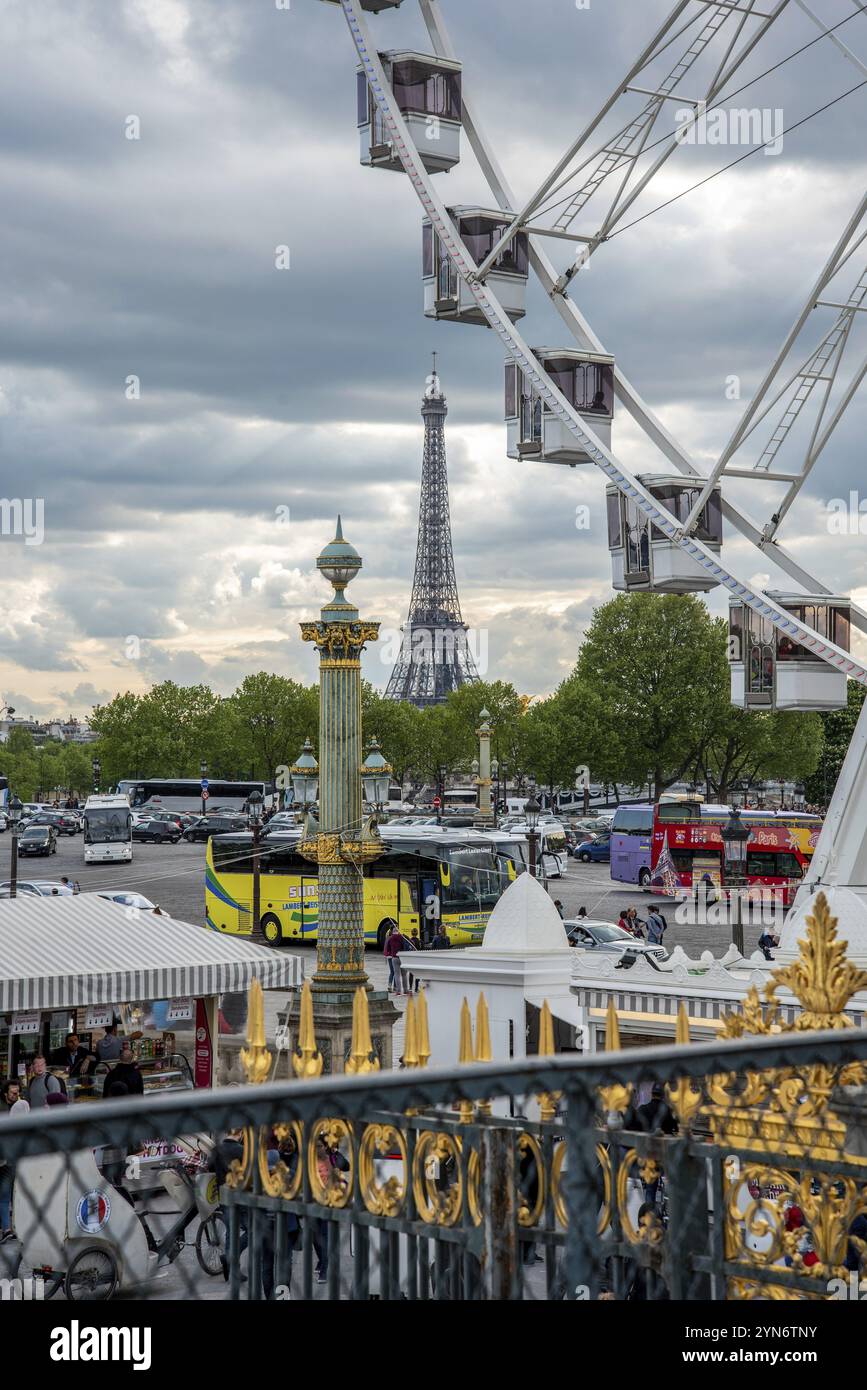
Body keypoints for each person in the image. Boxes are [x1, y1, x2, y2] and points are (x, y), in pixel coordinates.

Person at [383, 921, 406, 994]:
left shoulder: (388, 937)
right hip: (394, 956)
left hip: (390, 956)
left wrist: (386, 954)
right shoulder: (399, 937)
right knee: (396, 972)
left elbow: (386, 947)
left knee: (393, 972)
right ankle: (395, 987)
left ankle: (391, 986)